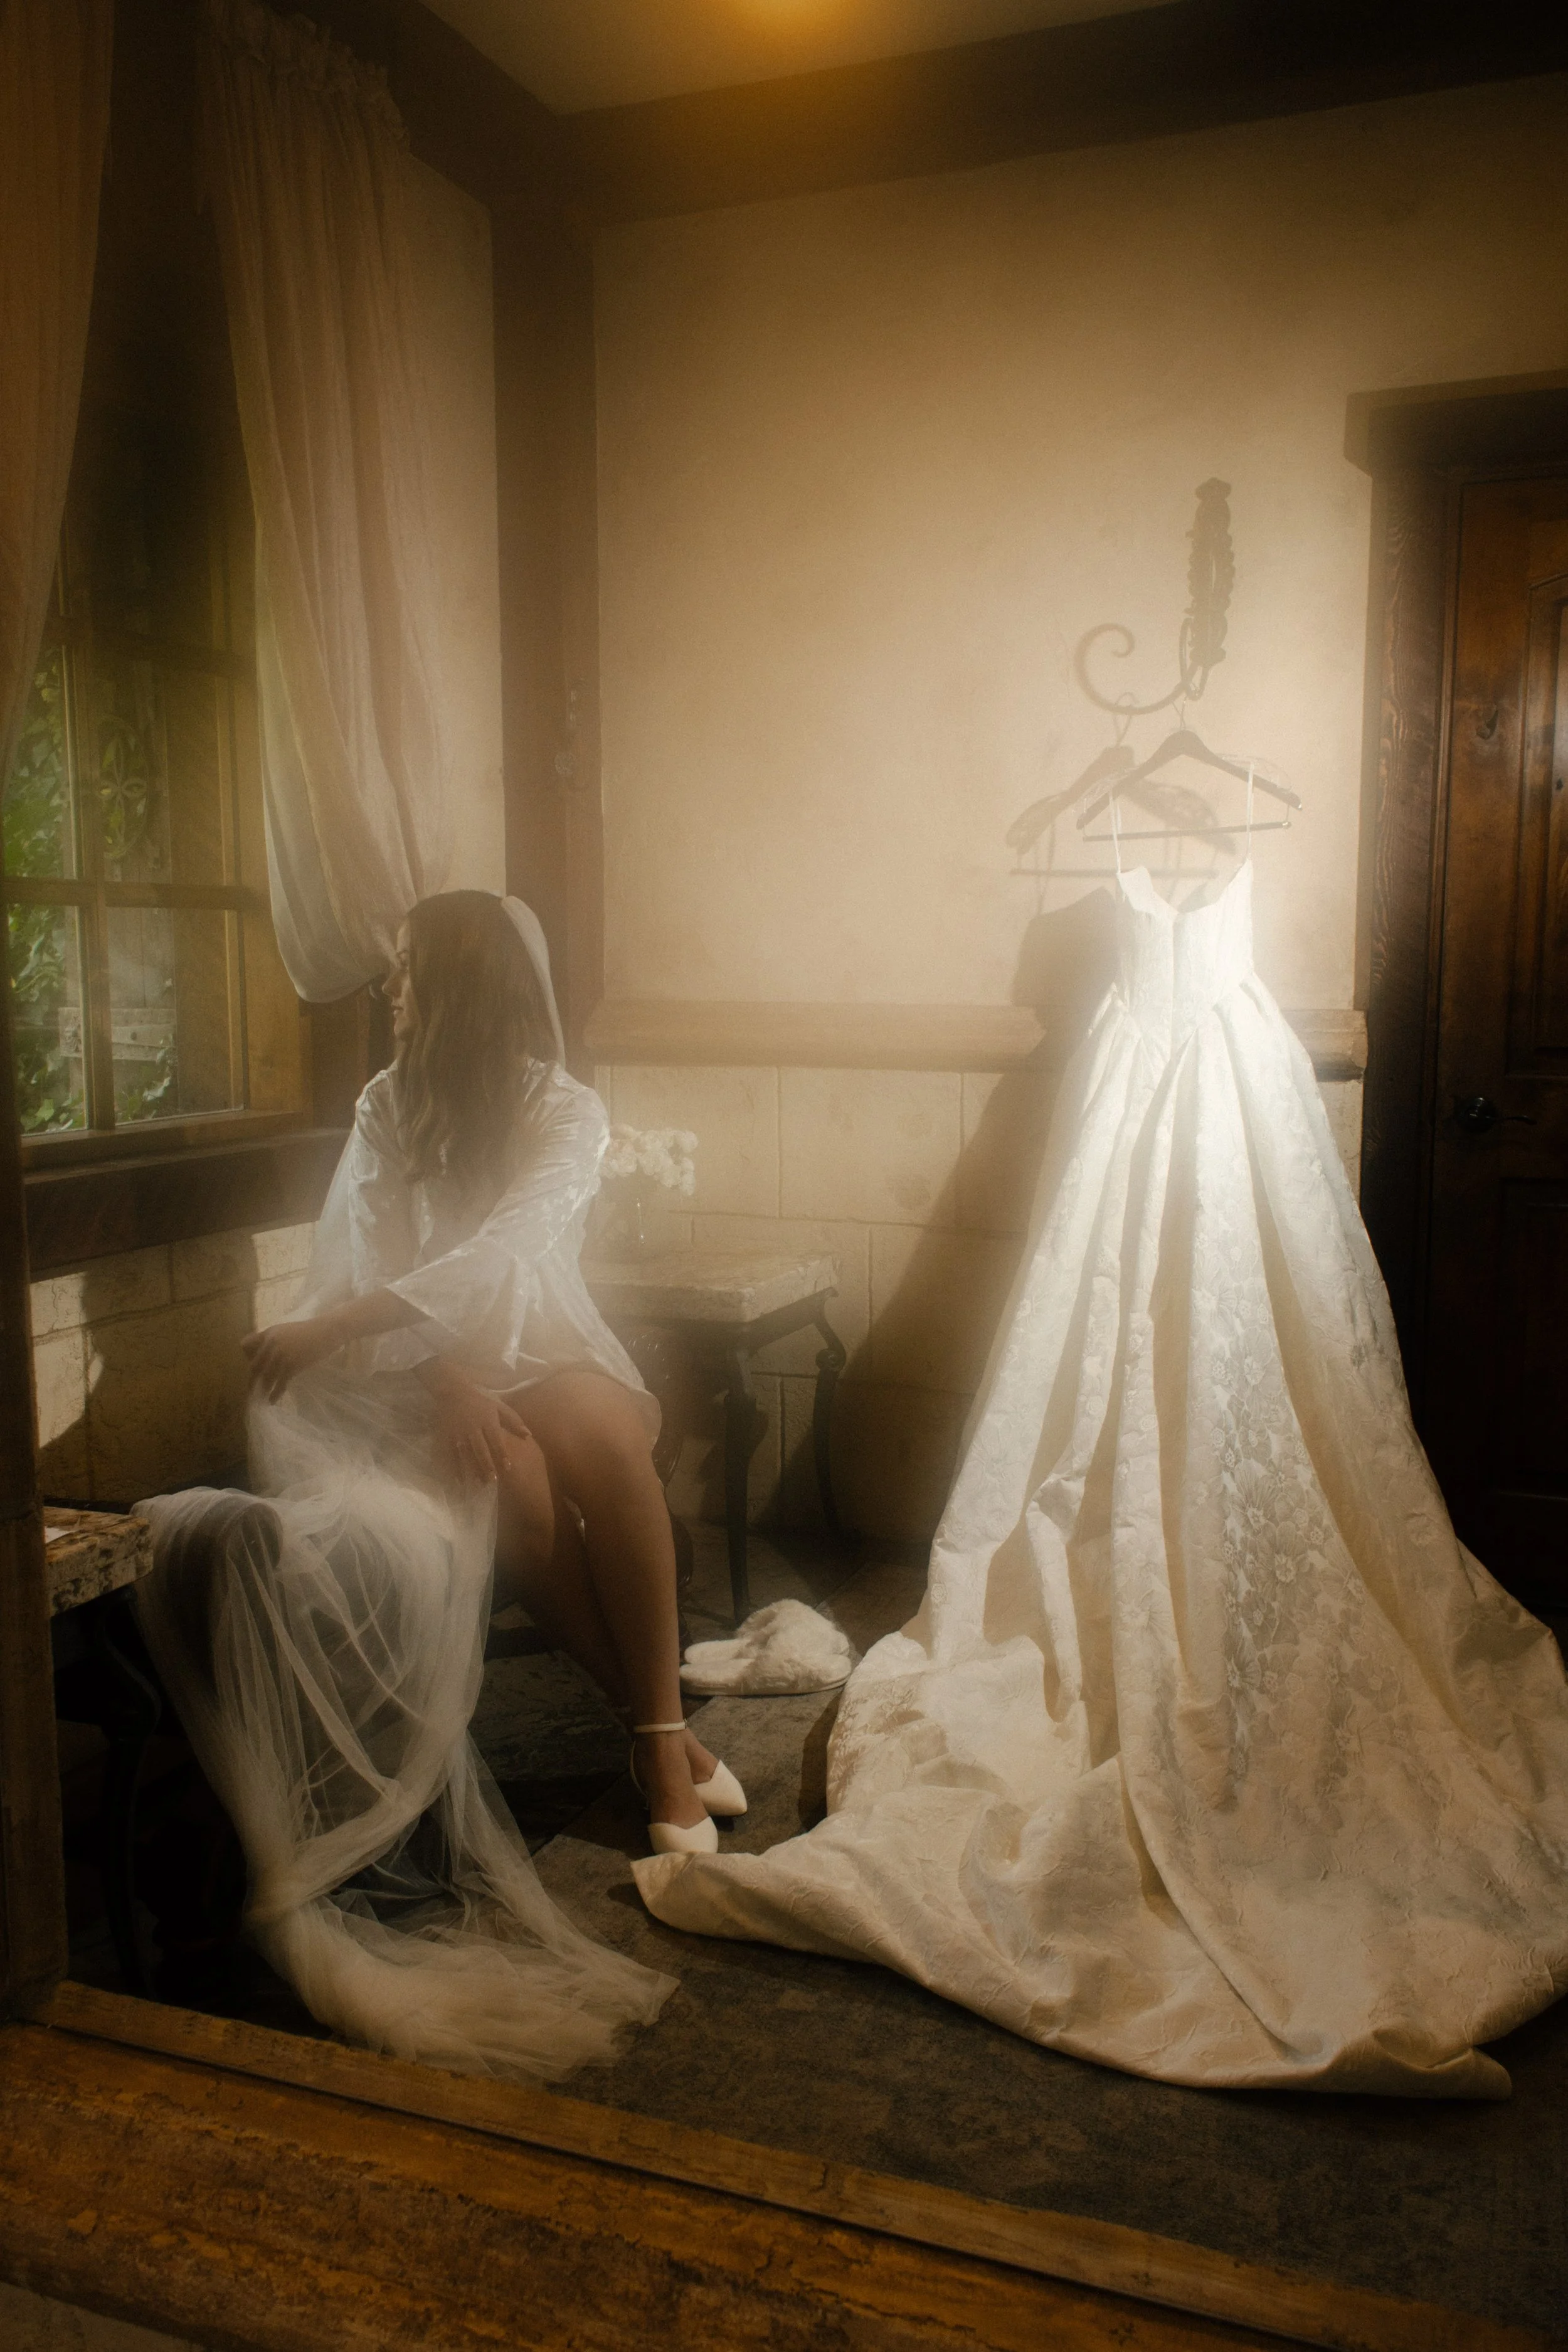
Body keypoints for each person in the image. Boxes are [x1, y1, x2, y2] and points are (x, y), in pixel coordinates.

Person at [135, 891, 740, 2079]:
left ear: (462, 985)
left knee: (602, 1438)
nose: (390, 994)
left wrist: (357, 1326)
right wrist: (444, 1380)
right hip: (429, 1366)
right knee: (507, 1475)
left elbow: (506, 1252)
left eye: (408, 973)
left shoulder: (566, 1108)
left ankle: (661, 1745)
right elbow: (372, 1245)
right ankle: (651, 1723)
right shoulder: (387, 1099)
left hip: (540, 1336)